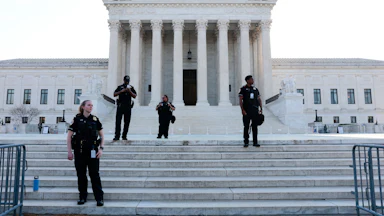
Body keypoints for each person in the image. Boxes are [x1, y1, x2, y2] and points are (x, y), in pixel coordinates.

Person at [67, 100, 105, 206]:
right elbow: (69, 137)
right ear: (83, 107)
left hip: (93, 152)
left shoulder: (95, 119)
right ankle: (82, 197)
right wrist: (69, 151)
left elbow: (102, 136)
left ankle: (99, 198)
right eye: (89, 105)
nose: (91, 107)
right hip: (80, 152)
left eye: (92, 105)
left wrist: (101, 149)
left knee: (95, 175)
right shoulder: (76, 119)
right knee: (81, 175)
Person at [239, 75, 263, 148]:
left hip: (255, 110)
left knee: (255, 126)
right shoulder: (243, 89)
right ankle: (246, 142)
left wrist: (261, 108)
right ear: (247, 80)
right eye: (251, 79)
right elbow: (240, 100)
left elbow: (259, 99)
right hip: (247, 110)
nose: (253, 80)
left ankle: (255, 142)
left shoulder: (255, 89)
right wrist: (242, 110)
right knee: (246, 126)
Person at [113, 75, 137, 141]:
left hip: (128, 107)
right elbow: (114, 94)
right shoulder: (120, 87)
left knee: (127, 122)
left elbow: (134, 96)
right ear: (124, 80)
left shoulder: (131, 87)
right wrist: (122, 91)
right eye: (126, 80)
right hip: (120, 106)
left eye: (128, 81)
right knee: (118, 122)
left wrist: (129, 91)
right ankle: (117, 136)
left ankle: (124, 136)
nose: (127, 82)